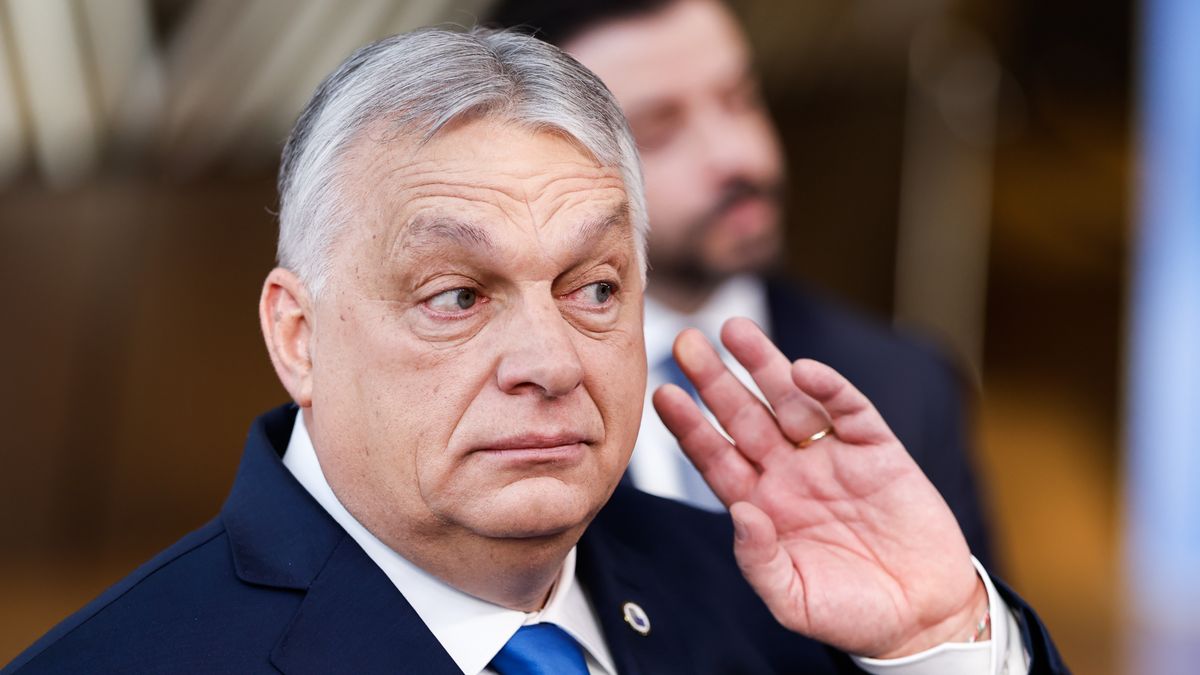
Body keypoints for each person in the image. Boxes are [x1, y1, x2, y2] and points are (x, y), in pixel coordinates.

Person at [2, 28, 1064, 675]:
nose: (550, 361)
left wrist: (942, 640)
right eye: (458, 296)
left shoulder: (780, 605)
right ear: (298, 335)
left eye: (594, 288)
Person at [487, 0, 994, 566]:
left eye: (741, 98)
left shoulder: (907, 385)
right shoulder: (495, 404)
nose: (738, 156)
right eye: (657, 132)